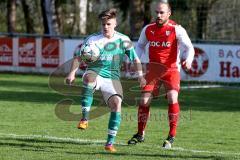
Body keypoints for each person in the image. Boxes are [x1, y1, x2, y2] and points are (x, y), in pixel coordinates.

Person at [66, 8, 146, 152]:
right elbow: (79, 58)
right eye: (103, 24)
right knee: (89, 79)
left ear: (115, 24)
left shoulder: (123, 40)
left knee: (117, 104)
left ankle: (109, 143)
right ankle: (84, 118)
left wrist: (140, 76)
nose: (105, 27)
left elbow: (135, 58)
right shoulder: (92, 39)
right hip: (94, 71)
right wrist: (72, 73)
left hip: (112, 78)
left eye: (108, 24)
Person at [127, 1, 195, 149]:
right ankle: (140, 134)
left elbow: (189, 47)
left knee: (172, 97)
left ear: (169, 13)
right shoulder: (148, 29)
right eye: (156, 12)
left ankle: (171, 136)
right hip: (153, 70)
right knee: (144, 100)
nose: (158, 15)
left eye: (161, 12)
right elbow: (139, 46)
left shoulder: (176, 29)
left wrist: (188, 60)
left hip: (171, 70)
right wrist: (135, 60)